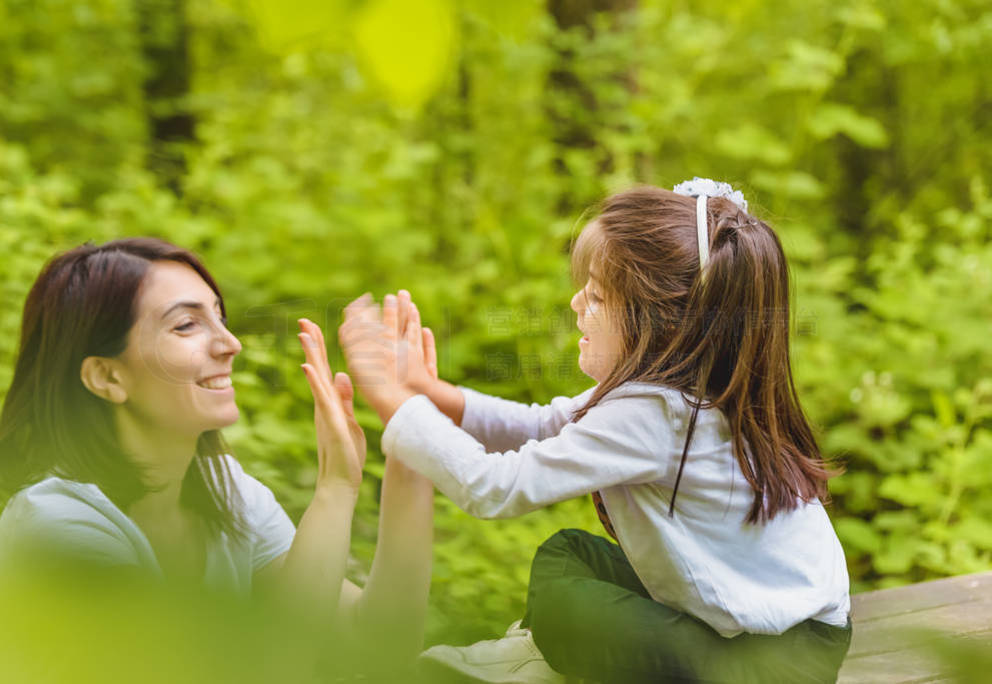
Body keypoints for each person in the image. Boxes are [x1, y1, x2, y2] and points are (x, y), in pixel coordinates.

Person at [338, 180, 852, 683]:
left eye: (598, 296)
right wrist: (432, 392)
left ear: (659, 323)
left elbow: (494, 487)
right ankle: (562, 654)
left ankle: (551, 661)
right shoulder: (676, 387)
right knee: (568, 556)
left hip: (774, 664)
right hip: (783, 631)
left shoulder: (657, 415)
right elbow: (541, 424)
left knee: (566, 606)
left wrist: (392, 398)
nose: (576, 304)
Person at [0, 237, 434, 683]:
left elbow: (376, 643)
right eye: (186, 325)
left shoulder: (224, 492)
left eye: (219, 317)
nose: (230, 343)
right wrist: (334, 491)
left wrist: (413, 439)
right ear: (107, 377)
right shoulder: (58, 532)